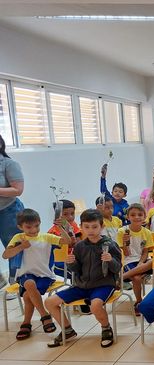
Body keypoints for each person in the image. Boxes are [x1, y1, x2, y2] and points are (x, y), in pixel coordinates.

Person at [44, 209, 122, 348]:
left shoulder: (109, 245)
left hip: (103, 284)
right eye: (86, 227)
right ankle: (67, 330)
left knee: (95, 305)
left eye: (94, 227)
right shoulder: (80, 246)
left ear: (102, 226)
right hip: (81, 286)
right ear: (81, 227)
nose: (90, 230)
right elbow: (77, 270)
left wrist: (110, 260)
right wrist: (71, 262)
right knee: (50, 302)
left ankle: (106, 328)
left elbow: (117, 269)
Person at [2, 209, 70, 340]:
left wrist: (61, 227)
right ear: (20, 227)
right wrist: (20, 247)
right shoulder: (18, 238)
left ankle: (26, 323)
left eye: (37, 226)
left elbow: (67, 241)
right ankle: (44, 315)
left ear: (40, 223)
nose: (33, 230)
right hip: (25, 275)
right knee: (29, 283)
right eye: (28, 227)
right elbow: (6, 255)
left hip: (45, 275)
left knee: (28, 295)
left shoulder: (46, 237)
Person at [117, 204, 154, 312]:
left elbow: (145, 252)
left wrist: (141, 263)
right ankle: (139, 302)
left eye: (140, 215)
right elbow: (126, 254)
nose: (137, 217)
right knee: (137, 278)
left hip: (142, 260)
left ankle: (120, 278)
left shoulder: (147, 232)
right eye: (133, 215)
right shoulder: (122, 231)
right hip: (128, 260)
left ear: (144, 216)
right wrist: (124, 243)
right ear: (128, 217)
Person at [0, 134, 25, 290]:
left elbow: (18, 190)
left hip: (8, 211)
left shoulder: (8, 164)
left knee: (14, 247)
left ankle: (15, 284)